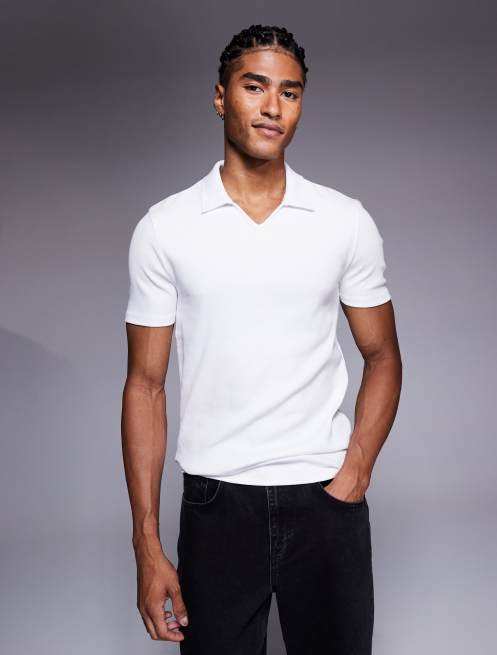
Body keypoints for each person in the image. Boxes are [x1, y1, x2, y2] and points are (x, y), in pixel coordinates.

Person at [121, 24, 402, 655]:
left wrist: (355, 472)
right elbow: (145, 385)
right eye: (255, 87)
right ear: (221, 97)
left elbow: (383, 355)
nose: (273, 106)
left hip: (325, 499)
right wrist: (146, 544)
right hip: (217, 504)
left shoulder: (343, 221)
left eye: (290, 92)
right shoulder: (166, 228)